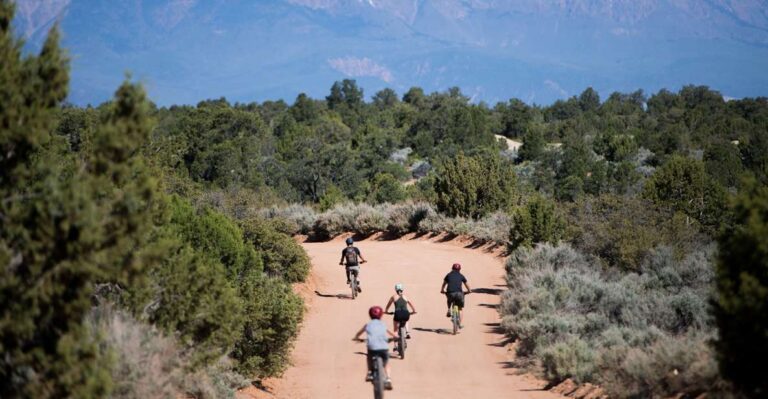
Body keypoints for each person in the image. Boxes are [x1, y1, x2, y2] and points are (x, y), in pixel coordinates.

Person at [353, 306, 396, 390]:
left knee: (369, 358)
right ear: (381, 315)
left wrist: (356, 337)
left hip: (372, 348)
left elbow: (359, 333)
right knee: (386, 363)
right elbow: (393, 335)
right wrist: (395, 337)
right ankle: (388, 379)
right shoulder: (383, 324)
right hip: (384, 348)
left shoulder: (368, 324)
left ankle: (369, 372)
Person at [440, 263, 471, 327]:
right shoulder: (461, 275)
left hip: (450, 293)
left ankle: (449, 309)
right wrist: (469, 291)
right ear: (459, 269)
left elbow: (444, 284)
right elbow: (466, 284)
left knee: (449, 298)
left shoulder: (448, 275)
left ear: (452, 268)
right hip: (459, 293)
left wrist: (442, 290)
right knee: (460, 309)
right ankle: (459, 323)